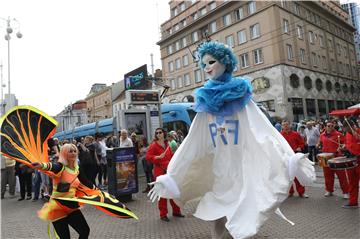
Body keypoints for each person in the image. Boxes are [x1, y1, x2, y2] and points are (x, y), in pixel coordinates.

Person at [148, 41, 315, 239]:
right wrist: (173, 174)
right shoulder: (205, 105)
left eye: (212, 62)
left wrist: (289, 158)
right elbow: (193, 141)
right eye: (204, 64)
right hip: (220, 171)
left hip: (241, 169)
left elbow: (263, 131)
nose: (207, 67)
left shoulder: (241, 101)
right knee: (217, 214)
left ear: (226, 62)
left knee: (242, 210)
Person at [146, 128, 184, 222]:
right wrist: (157, 157)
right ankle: (163, 214)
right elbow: (148, 157)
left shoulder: (167, 144)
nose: (158, 134)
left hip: (169, 171)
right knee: (162, 193)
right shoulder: (154, 145)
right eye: (157, 133)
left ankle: (176, 211)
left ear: (164, 133)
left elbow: (171, 156)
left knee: (172, 190)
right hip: (159, 171)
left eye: (160, 132)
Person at [317, 120, 349, 198]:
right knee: (328, 176)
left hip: (337, 157)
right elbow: (319, 143)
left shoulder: (339, 134)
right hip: (326, 158)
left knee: (342, 176)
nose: (330, 127)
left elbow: (345, 144)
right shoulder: (322, 135)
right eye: (328, 126)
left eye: (332, 126)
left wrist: (342, 147)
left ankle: (345, 192)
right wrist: (318, 145)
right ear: (325, 127)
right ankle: (329, 190)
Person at [281, 120, 309, 198]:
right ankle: (290, 192)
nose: (285, 126)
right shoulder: (280, 135)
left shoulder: (296, 134)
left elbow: (302, 143)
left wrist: (300, 147)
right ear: (282, 126)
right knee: (287, 175)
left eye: (287, 124)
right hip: (286, 158)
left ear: (290, 125)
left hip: (295, 156)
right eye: (284, 125)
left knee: (298, 175)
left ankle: (301, 192)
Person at [342, 119, 360, 209]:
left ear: (352, 126)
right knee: (352, 183)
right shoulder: (348, 134)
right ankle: (353, 202)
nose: (346, 131)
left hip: (359, 160)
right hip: (351, 161)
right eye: (345, 129)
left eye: (347, 129)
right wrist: (344, 147)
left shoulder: (358, 132)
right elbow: (349, 145)